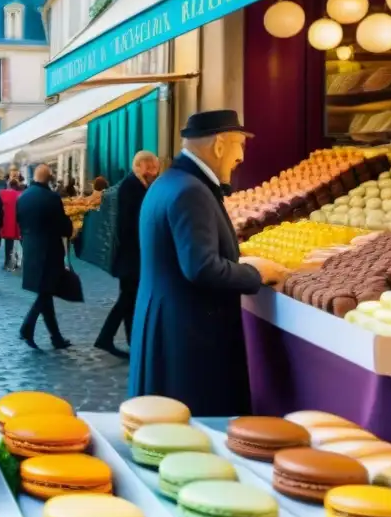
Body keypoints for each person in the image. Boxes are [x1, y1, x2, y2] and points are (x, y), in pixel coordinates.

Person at [128, 111, 286, 416]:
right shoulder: (190, 190)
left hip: (166, 326)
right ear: (219, 146)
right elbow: (201, 267)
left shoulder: (170, 183)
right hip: (188, 338)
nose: (240, 157)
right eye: (239, 145)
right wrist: (255, 272)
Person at [95, 151, 160, 359]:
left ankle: (130, 342)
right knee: (128, 298)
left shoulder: (135, 185)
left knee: (129, 299)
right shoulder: (133, 186)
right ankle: (108, 338)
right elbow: (131, 223)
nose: (155, 172)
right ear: (142, 166)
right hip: (132, 256)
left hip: (131, 255)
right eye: (152, 167)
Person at [16, 164, 73, 350]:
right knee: (46, 291)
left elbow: (19, 221)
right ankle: (27, 327)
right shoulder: (51, 198)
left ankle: (56, 337)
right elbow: (63, 226)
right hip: (49, 249)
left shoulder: (23, 197)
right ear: (49, 178)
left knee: (45, 293)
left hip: (31, 248)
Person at [0, 178, 22, 271]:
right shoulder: (20, 195)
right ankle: (18, 261)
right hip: (18, 223)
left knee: (8, 244)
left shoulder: (2, 193)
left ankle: (8, 262)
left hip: (7, 223)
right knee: (20, 244)